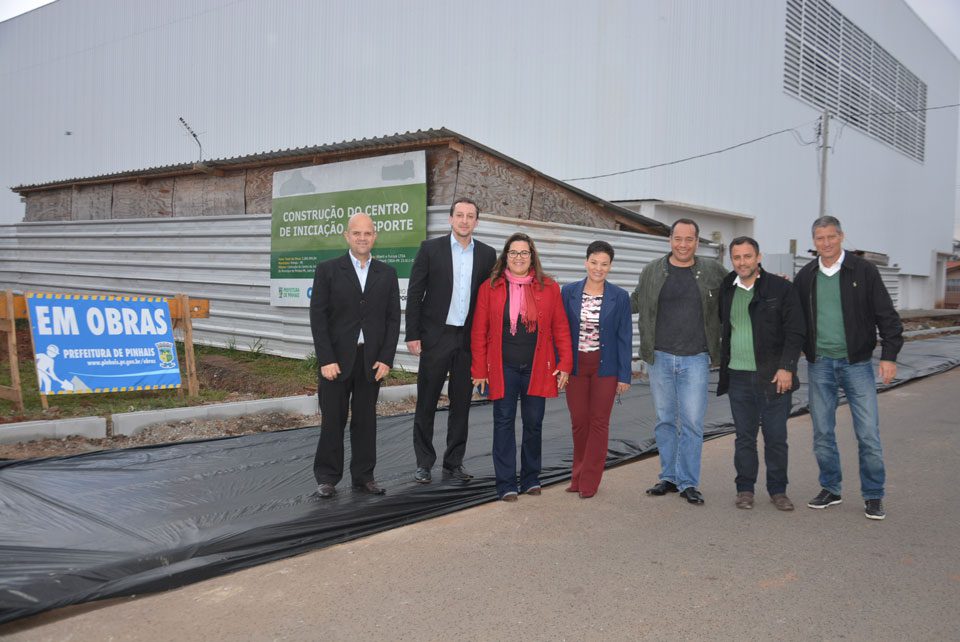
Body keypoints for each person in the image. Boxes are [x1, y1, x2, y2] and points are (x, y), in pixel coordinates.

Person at [794, 216, 903, 520]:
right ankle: (831, 488)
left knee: (867, 433)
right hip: (820, 365)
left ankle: (873, 494)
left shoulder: (864, 271)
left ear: (841, 236)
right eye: (820, 238)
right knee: (822, 432)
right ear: (814, 242)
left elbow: (887, 316)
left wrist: (889, 356)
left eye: (831, 237)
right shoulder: (806, 276)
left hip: (857, 364)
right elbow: (794, 318)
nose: (826, 243)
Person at [471, 232, 573, 502]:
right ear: (506, 256)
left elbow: (560, 327)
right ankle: (506, 484)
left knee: (534, 423)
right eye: (514, 252)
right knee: (503, 422)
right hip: (503, 367)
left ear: (532, 256)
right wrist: (479, 370)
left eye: (524, 252)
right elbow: (479, 331)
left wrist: (565, 363)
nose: (519, 257)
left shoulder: (549, 287)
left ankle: (531, 478)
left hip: (537, 368)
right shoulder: (490, 287)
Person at [631, 218, 726, 505]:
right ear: (670, 239)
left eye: (689, 239)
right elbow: (634, 301)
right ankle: (669, 477)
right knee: (665, 420)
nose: (683, 245)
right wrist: (598, 298)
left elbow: (738, 290)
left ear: (697, 242)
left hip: (696, 358)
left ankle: (688, 482)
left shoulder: (713, 271)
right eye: (678, 238)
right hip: (659, 357)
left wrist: (770, 286)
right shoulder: (652, 270)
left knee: (693, 423)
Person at [405, 198, 497, 483]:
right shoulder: (430, 249)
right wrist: (412, 334)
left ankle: (453, 463)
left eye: (470, 216)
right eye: (459, 215)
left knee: (462, 404)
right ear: (450, 219)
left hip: (468, 339)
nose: (464, 220)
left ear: (476, 222)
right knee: (427, 401)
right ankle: (424, 463)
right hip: (436, 336)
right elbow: (415, 293)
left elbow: (490, 300)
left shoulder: (487, 254)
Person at [310, 213, 401, 498]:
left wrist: (386, 358)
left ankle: (364, 477)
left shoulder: (387, 273)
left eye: (368, 233)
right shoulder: (328, 270)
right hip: (336, 361)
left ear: (375, 236)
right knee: (332, 421)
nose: (362, 238)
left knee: (366, 421)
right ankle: (327, 478)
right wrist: (326, 359)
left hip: (370, 361)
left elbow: (393, 319)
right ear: (347, 236)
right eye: (357, 233)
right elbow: (318, 318)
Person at [717, 237, 805, 511]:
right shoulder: (726, 288)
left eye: (747, 256)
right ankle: (745, 489)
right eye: (737, 257)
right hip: (738, 376)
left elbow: (795, 331)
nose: (742, 262)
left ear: (758, 257)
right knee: (744, 437)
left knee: (776, 437)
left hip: (774, 377)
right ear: (731, 259)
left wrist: (787, 367)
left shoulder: (781, 288)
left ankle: (778, 491)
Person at [561, 240, 632, 499]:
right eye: (594, 262)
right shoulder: (568, 292)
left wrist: (624, 375)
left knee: (599, 422)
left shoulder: (620, 296)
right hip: (576, 367)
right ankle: (578, 475)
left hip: (606, 367)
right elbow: (560, 331)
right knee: (579, 421)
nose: (598, 268)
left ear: (610, 266)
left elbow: (624, 336)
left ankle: (590, 480)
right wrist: (561, 366)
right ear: (586, 262)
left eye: (604, 264)